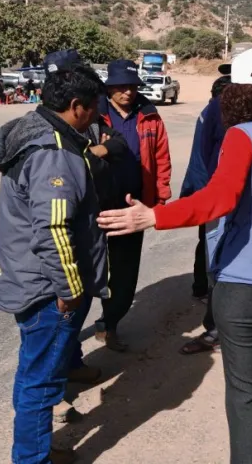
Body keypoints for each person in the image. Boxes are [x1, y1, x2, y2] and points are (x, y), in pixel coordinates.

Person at [98, 48, 252, 464]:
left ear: (238, 91)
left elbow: (217, 199)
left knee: (248, 394)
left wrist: (154, 216)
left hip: (246, 286)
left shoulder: (243, 134)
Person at [0, 61, 110, 464]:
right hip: (46, 287)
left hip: (26, 276)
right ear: (77, 106)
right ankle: (32, 458)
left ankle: (33, 447)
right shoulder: (54, 154)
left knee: (33, 372)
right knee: (41, 382)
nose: (98, 115)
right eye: (95, 107)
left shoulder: (33, 129)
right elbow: (53, 228)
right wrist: (70, 289)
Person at [94, 58, 172, 351]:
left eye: (132, 86)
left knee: (125, 273)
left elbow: (162, 158)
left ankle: (110, 323)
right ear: (109, 88)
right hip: (97, 205)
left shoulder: (150, 115)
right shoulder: (94, 114)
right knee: (89, 269)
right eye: (121, 87)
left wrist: (160, 198)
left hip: (133, 206)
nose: (127, 92)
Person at [179, 72, 233, 355]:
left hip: (207, 192)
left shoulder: (208, 111)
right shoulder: (218, 113)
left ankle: (210, 311)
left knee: (210, 251)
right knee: (216, 258)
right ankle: (216, 326)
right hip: (214, 195)